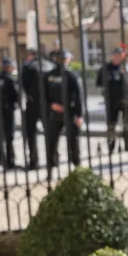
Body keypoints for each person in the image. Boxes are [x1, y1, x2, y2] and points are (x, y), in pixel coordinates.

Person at [43, 49, 84, 177]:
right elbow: (78, 97)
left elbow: (43, 95)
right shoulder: (70, 75)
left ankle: (56, 169)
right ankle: (74, 168)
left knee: (54, 141)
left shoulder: (51, 75)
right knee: (68, 141)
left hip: (61, 112)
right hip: (66, 112)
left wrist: (51, 105)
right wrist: (80, 115)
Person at [95, 46, 128, 153]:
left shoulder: (125, 67)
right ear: (112, 56)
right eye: (116, 55)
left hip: (126, 99)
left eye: (120, 55)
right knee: (111, 125)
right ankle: (111, 147)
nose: (118, 57)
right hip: (111, 100)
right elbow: (98, 83)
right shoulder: (106, 68)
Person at [21, 48, 50, 170]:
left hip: (33, 103)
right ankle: (53, 158)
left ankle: (34, 160)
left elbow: (23, 84)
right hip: (48, 104)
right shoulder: (50, 66)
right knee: (50, 133)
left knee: (31, 133)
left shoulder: (28, 67)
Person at [0, 57, 20, 170]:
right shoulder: (10, 80)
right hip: (8, 110)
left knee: (0, 135)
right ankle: (10, 161)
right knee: (9, 136)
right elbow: (16, 95)